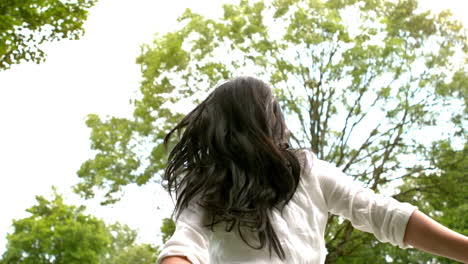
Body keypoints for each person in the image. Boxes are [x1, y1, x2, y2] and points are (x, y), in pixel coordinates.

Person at [157, 76, 468, 264]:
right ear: (270, 120)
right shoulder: (208, 186)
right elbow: (185, 245)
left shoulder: (306, 171)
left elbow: (385, 215)